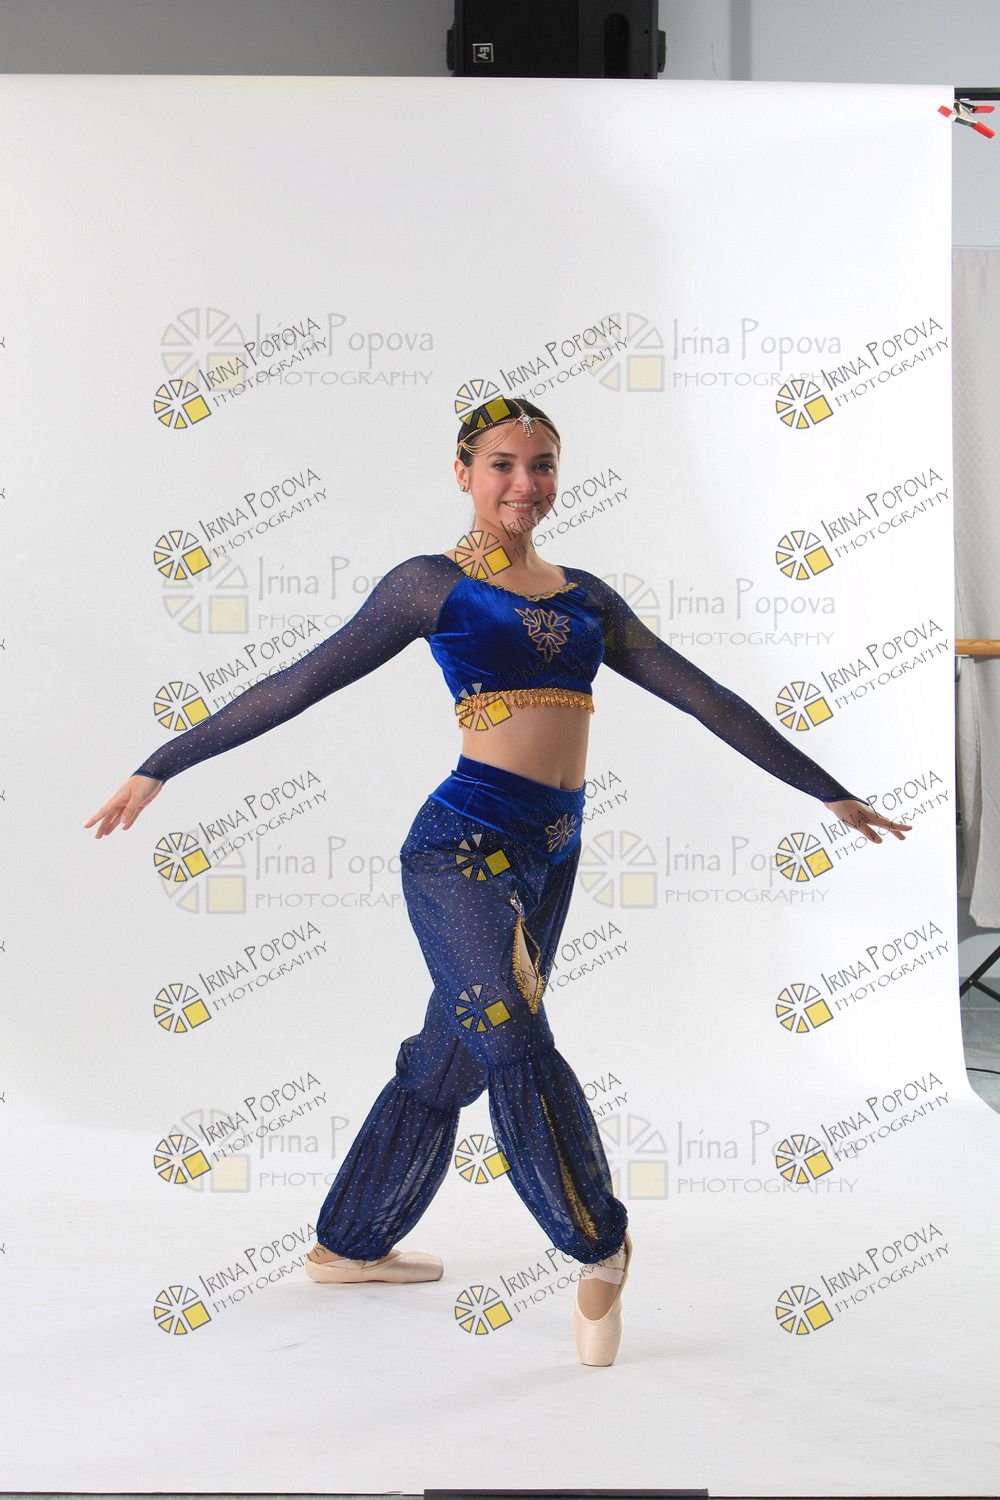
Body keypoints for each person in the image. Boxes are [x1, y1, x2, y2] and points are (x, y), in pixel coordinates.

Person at [85, 396, 911, 1366]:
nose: (525, 484)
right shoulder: (431, 586)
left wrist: (828, 790)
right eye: (503, 465)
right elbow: (299, 682)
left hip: (551, 853)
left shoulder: (587, 598)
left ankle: (349, 1241)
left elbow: (705, 698)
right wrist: (162, 763)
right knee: (515, 1038)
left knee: (454, 1058)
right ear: (464, 473)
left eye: (542, 464)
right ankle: (598, 1244)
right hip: (458, 849)